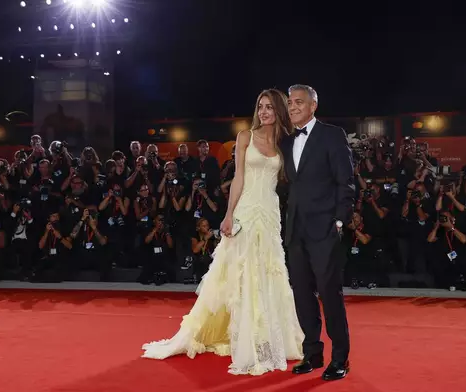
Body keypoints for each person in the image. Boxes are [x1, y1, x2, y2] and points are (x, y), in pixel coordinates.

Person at [142, 89, 304, 375]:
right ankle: (245, 339)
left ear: (279, 110)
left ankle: (267, 337)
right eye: (260, 106)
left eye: (269, 107)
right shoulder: (245, 137)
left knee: (269, 271)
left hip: (269, 213)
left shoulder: (284, 143)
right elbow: (238, 177)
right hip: (246, 212)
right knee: (242, 272)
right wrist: (228, 215)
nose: (264, 112)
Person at [282, 84, 355, 381]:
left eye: (299, 101)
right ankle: (312, 353)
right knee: (302, 295)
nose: (293, 106)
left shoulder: (332, 135)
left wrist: (340, 221)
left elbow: (346, 180)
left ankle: (341, 358)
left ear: (313, 105)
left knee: (329, 293)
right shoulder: (287, 142)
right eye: (290, 102)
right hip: (295, 230)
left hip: (325, 228)